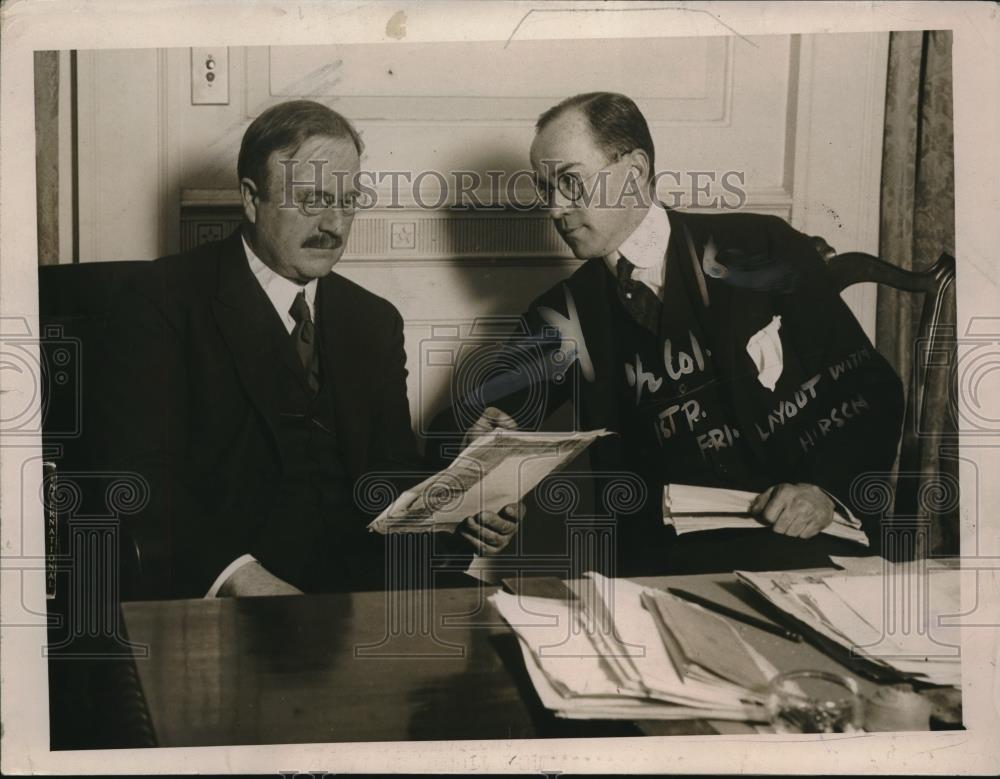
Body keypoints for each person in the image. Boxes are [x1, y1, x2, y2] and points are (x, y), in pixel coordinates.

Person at [441, 92, 904, 575]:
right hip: (659, 563)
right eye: (546, 189)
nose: (556, 208)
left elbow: (868, 387)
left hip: (797, 543)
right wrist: (484, 486)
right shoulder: (562, 313)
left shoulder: (759, 246)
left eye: (571, 182)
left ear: (635, 171)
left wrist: (823, 490)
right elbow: (475, 417)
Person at [101, 100, 521, 599]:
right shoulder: (162, 299)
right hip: (233, 594)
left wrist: (467, 496)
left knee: (518, 639)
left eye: (347, 201)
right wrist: (239, 578)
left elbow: (388, 476)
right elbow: (144, 480)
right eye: (312, 200)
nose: (333, 225)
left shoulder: (372, 319)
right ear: (252, 199)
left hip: (366, 591)